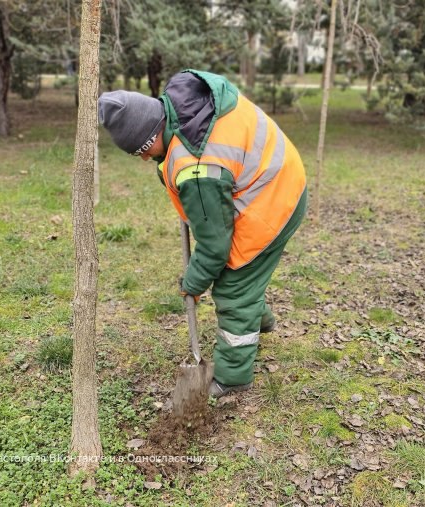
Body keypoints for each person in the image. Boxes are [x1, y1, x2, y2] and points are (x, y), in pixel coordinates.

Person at [98, 69, 307, 397]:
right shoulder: (184, 108)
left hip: (273, 199)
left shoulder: (196, 168)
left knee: (233, 289)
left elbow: (214, 246)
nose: (142, 160)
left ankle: (233, 376)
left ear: (151, 137)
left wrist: (193, 283)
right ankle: (260, 319)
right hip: (274, 174)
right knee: (242, 280)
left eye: (141, 152)